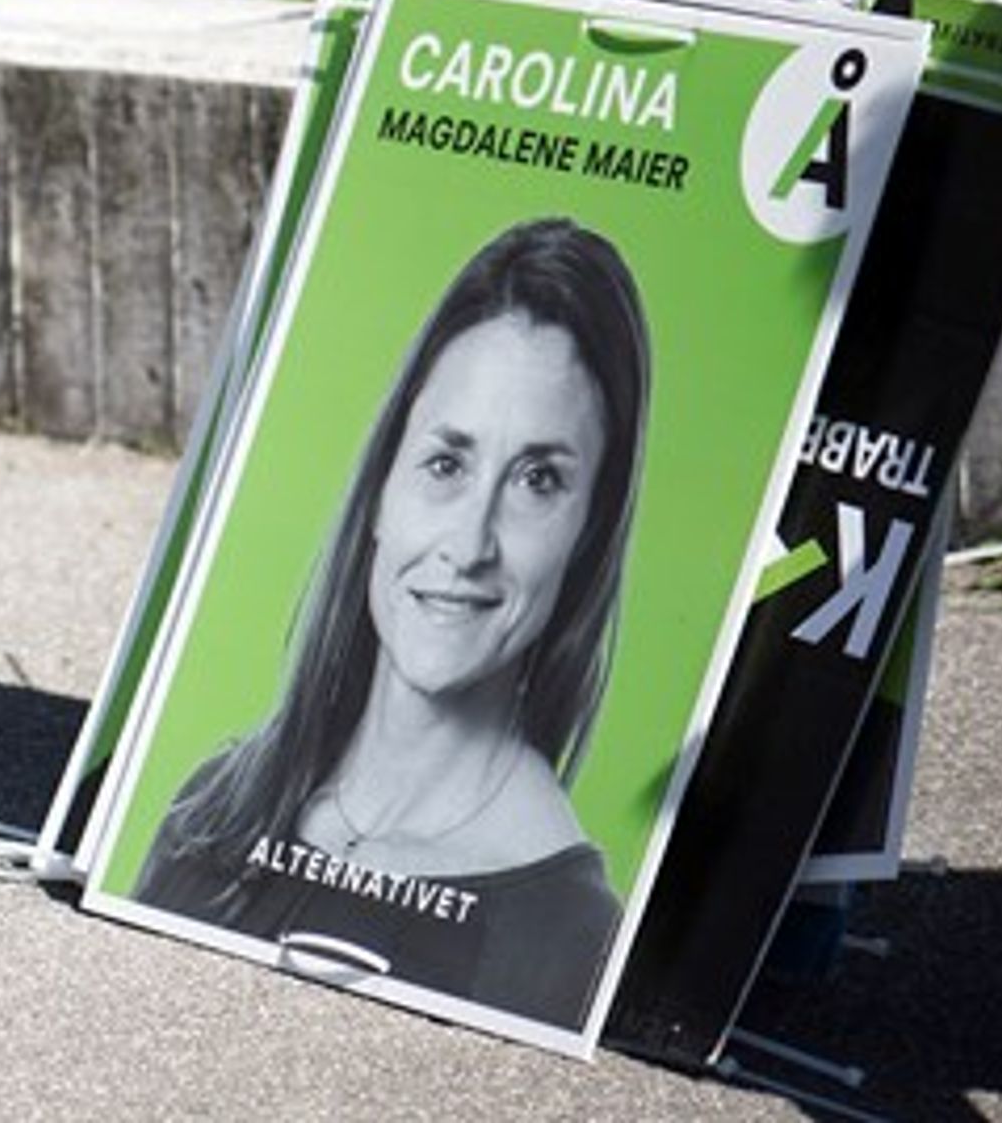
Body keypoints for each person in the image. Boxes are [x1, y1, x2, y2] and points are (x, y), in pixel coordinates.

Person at [133, 216, 650, 1030]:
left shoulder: (573, 942)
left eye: (538, 480)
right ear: (382, 487)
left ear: (590, 533)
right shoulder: (213, 808)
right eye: (446, 462)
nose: (469, 544)